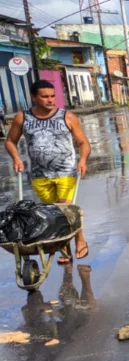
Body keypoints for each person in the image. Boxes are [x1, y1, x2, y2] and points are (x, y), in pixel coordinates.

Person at [4, 79, 90, 263]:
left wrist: (82, 160)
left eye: (53, 96)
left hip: (65, 170)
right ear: (34, 97)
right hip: (39, 174)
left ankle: (79, 239)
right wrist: (16, 158)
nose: (51, 100)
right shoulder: (23, 118)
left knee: (65, 209)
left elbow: (83, 142)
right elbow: (10, 141)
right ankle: (63, 245)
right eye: (45, 97)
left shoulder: (67, 117)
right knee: (51, 213)